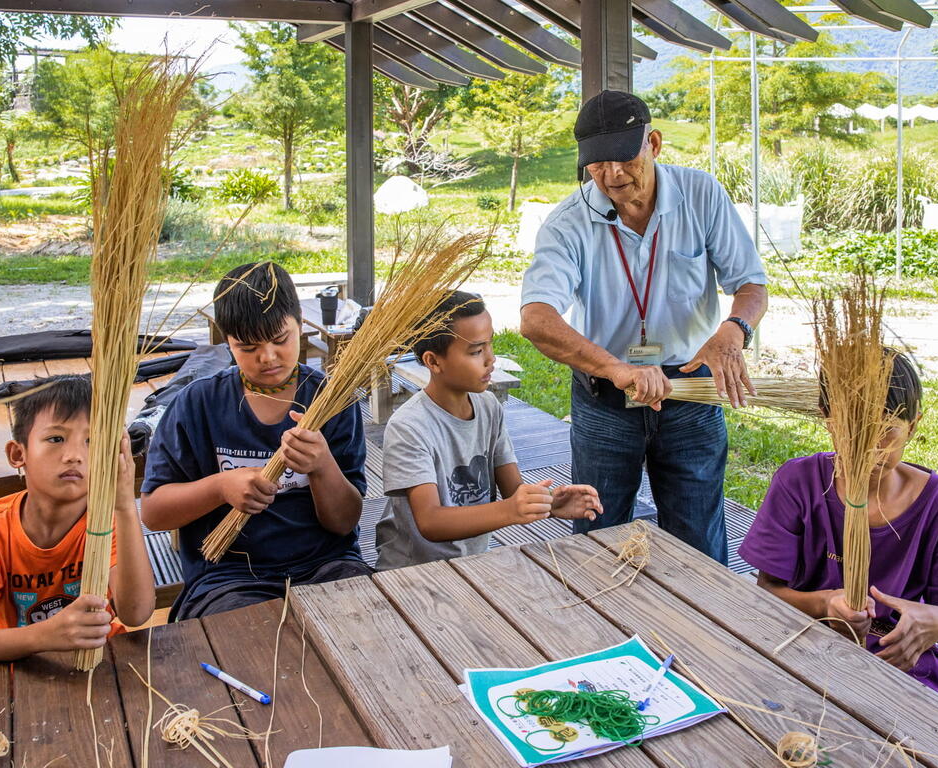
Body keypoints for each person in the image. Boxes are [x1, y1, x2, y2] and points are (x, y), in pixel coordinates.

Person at [520, 89, 767, 563]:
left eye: (624, 158)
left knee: (698, 538)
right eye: (597, 164)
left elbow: (751, 284)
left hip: (691, 389)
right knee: (598, 533)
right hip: (606, 397)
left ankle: (703, 630)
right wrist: (617, 369)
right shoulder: (568, 223)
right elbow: (536, 319)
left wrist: (732, 331)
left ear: (653, 143)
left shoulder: (701, 194)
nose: (612, 175)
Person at [738, 352, 938, 703]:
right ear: (827, 420)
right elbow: (766, 591)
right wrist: (826, 603)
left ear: (914, 426)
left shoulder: (934, 502)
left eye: (885, 430)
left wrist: (937, 622)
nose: (868, 447)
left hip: (896, 666)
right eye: (851, 427)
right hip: (802, 651)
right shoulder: (798, 483)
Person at [141, 262, 369, 619]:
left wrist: (323, 466)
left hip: (327, 566)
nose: (268, 357)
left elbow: (344, 522)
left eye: (281, 339)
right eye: (247, 347)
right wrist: (219, 487)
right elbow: (154, 514)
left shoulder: (332, 399)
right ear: (226, 341)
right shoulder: (198, 404)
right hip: (229, 578)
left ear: (300, 324)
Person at [375, 291, 602, 570]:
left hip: (473, 563)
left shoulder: (488, 406)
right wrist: (511, 510)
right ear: (433, 362)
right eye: (476, 351)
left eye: (490, 345)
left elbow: (513, 490)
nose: (490, 359)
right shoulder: (409, 427)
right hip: (413, 571)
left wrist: (548, 504)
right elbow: (430, 521)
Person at [0, 376, 155, 664]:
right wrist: (47, 634)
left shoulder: (107, 521)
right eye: (55, 439)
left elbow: (136, 613)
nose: (74, 456)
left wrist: (124, 505)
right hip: (20, 671)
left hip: (102, 663)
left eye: (92, 441)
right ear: (18, 454)